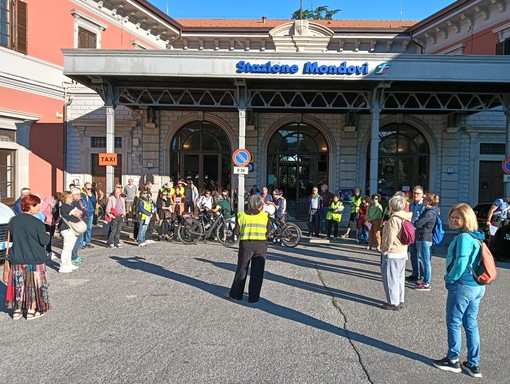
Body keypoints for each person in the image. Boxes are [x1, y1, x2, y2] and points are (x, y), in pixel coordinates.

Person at [432, 203, 486, 378]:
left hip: (463, 285)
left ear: (467, 219)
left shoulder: (463, 238)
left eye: (458, 217)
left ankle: (453, 359)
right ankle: (473, 364)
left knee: (454, 322)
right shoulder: (476, 236)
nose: (454, 220)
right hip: (477, 286)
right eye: (452, 217)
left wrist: (449, 279)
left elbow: (461, 262)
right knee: (471, 324)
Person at [5, 194, 51, 320]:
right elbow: (44, 241)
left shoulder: (13, 221)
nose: (38, 208)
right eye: (37, 206)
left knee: (19, 285)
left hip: (17, 257)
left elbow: (13, 237)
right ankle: (31, 310)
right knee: (32, 285)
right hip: (34, 258)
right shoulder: (37, 223)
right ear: (31, 206)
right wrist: (47, 234)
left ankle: (17, 310)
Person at [225, 194, 271, 303]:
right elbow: (268, 231)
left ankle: (235, 295)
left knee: (242, 270)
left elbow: (236, 232)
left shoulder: (241, 215)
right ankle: (253, 298)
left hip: (246, 246)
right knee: (257, 273)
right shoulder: (265, 216)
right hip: (261, 246)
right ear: (260, 206)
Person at [379, 194, 412, 310]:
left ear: (392, 206)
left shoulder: (394, 219)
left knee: (390, 278)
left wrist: (384, 250)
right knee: (399, 278)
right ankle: (400, 299)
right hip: (403, 251)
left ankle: (393, 302)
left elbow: (389, 237)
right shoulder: (406, 217)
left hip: (393, 252)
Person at [414, 193, 441, 291]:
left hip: (426, 238)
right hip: (423, 237)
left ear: (429, 202)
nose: (423, 200)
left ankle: (427, 283)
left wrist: (416, 222)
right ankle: (425, 280)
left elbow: (418, 224)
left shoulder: (429, 213)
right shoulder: (427, 211)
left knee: (426, 261)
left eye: (425, 199)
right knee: (423, 259)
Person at [58, 191, 81, 273]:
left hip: (71, 228)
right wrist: (77, 213)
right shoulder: (65, 206)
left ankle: (68, 263)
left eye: (72, 197)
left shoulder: (70, 205)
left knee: (70, 247)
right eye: (69, 197)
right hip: (66, 228)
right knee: (66, 248)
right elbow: (78, 214)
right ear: (64, 199)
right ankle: (63, 265)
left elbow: (80, 212)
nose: (72, 198)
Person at [406, 185, 425, 282]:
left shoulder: (424, 206)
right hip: (411, 233)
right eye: (414, 193)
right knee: (413, 254)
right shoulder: (411, 205)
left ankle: (422, 276)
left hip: (420, 233)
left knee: (420, 255)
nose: (415, 195)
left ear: (422, 195)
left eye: (417, 193)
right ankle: (415, 273)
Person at [39, 193, 60, 260]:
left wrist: (56, 220)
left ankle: (48, 251)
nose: (58, 201)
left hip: (52, 222)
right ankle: (48, 251)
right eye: (57, 200)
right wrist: (46, 218)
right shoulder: (47, 202)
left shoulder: (56, 203)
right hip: (46, 222)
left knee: (51, 237)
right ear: (55, 198)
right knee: (47, 237)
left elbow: (56, 212)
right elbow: (40, 211)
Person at [106, 183, 126, 248]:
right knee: (113, 230)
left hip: (121, 216)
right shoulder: (111, 198)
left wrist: (123, 214)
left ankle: (116, 242)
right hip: (114, 216)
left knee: (118, 230)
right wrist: (112, 216)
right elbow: (107, 209)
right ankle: (110, 242)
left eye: (119, 192)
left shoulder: (122, 198)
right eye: (116, 192)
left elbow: (123, 207)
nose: (118, 193)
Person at [71, 188, 85, 265]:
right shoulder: (74, 203)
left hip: (80, 222)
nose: (80, 195)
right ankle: (73, 257)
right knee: (75, 241)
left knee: (78, 240)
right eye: (78, 194)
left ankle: (75, 255)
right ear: (74, 195)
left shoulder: (79, 202)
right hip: (76, 223)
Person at [81, 182, 97, 248]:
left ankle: (87, 242)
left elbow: (95, 202)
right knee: (82, 229)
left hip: (90, 213)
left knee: (89, 228)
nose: (89, 190)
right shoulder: (81, 194)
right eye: (88, 189)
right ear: (84, 188)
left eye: (90, 189)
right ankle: (81, 243)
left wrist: (91, 196)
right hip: (83, 214)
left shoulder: (91, 194)